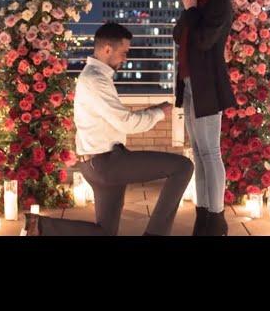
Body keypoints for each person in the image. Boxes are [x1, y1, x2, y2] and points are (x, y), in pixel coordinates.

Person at [25, 22, 193, 236]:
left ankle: (38, 227)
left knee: (104, 232)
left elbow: (116, 118)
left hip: (96, 163)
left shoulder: (94, 77)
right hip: (105, 163)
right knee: (183, 167)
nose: (126, 58)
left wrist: (153, 109)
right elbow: (126, 123)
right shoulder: (95, 80)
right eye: (124, 52)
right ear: (106, 49)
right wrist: (160, 113)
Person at [173, 0, 236, 236]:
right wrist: (189, 10)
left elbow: (203, 41)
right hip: (189, 83)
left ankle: (216, 217)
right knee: (198, 153)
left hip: (207, 84)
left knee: (211, 152)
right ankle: (203, 214)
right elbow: (178, 35)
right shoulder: (195, 6)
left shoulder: (219, 3)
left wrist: (191, 11)